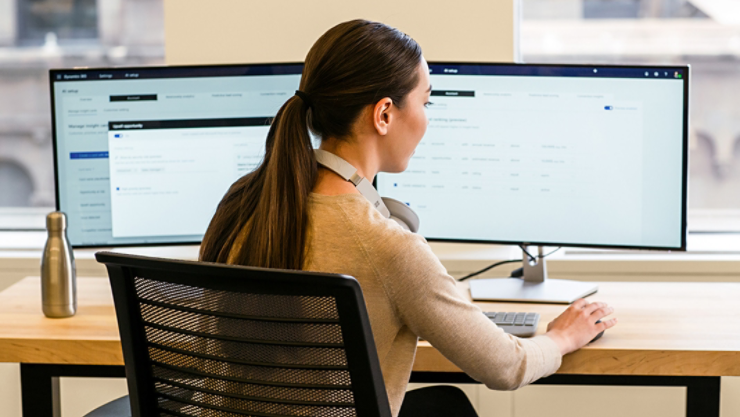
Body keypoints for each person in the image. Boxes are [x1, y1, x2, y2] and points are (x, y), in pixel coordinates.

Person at [200, 19, 617, 417]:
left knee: (443, 406)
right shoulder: (388, 245)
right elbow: (506, 367)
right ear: (384, 115)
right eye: (425, 101)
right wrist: (563, 336)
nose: (427, 118)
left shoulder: (245, 199)